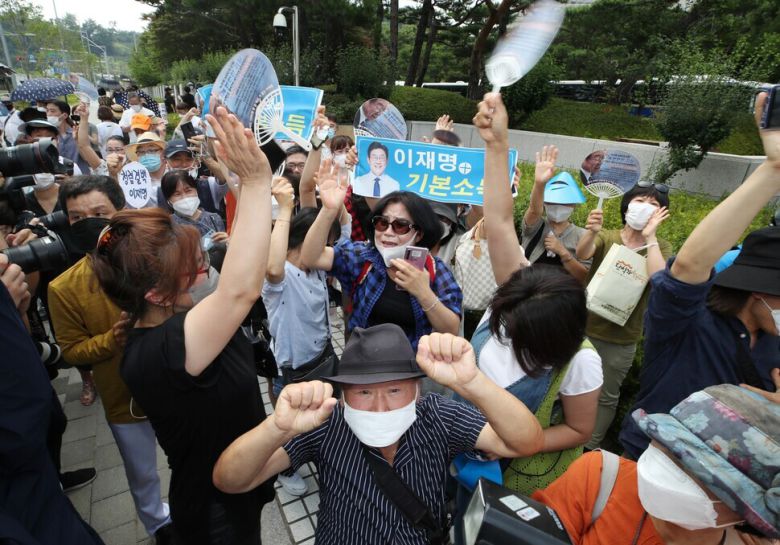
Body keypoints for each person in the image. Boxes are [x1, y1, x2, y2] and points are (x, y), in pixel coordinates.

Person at [90, 107, 276, 544]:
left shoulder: (174, 317)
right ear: (155, 294)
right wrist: (255, 182)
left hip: (239, 487)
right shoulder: (163, 350)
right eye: (196, 267)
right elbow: (239, 290)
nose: (207, 270)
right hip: (215, 513)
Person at [213, 326, 545, 545]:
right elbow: (232, 480)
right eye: (364, 393)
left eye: (395, 389)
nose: (380, 407)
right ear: (343, 396)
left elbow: (525, 442)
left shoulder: (440, 417)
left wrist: (471, 382)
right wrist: (277, 427)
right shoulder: (325, 424)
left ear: (417, 390)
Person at [456, 93, 600, 515]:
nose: (504, 327)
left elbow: (579, 427)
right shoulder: (517, 293)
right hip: (464, 452)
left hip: (518, 482)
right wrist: (496, 144)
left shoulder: (582, 362)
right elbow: (500, 221)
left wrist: (518, 441)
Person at [619, 91, 780, 460]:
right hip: (649, 462)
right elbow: (690, 266)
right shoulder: (687, 321)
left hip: (729, 497)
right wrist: (773, 170)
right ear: (756, 290)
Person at [47, 175, 173, 543]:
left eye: (99, 213)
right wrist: (111, 340)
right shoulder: (64, 288)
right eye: (75, 217)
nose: (87, 223)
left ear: (120, 213)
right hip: (123, 399)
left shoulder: (156, 259)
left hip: (176, 382)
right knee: (143, 472)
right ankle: (157, 525)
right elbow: (71, 351)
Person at [534, 383, 780, 544]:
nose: (672, 468)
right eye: (669, 449)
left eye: (702, 471)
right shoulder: (599, 476)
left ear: (745, 513)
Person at [0, 254, 105, 545]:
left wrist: (16, 315)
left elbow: (36, 389)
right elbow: (23, 419)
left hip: (37, 487)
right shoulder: (63, 287)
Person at [301, 166, 462, 349]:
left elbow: (451, 328)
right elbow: (311, 257)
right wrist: (329, 211)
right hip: (363, 366)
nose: (388, 232)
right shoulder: (363, 257)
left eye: (400, 225)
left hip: (410, 369)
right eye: (382, 223)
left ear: (419, 234)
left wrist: (424, 292)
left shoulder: (435, 270)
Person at [576, 181, 672, 450]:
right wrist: (589, 231)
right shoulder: (608, 236)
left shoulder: (661, 247)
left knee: (606, 395)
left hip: (621, 338)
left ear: (662, 214)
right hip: (584, 327)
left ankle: (589, 446)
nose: (646, 208)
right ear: (627, 204)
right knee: (568, 382)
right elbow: (583, 253)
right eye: (641, 200)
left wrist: (651, 238)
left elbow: (658, 279)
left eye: (654, 205)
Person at [522, 148, 591, 282]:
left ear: (574, 205)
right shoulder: (536, 225)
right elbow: (534, 210)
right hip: (528, 289)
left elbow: (584, 276)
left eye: (564, 203)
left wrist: (564, 253)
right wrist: (539, 184)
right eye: (552, 202)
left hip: (561, 297)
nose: (558, 206)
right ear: (545, 203)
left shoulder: (583, 236)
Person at [160, 169, 228, 240]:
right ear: (168, 200)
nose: (185, 197)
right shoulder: (167, 225)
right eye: (177, 194)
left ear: (196, 190)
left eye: (188, 191)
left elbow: (224, 249)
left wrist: (226, 242)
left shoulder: (213, 218)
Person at [125, 132, 167, 206]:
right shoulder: (134, 181)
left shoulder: (174, 174)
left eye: (152, 150)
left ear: (163, 153)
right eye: (141, 152)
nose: (146, 155)